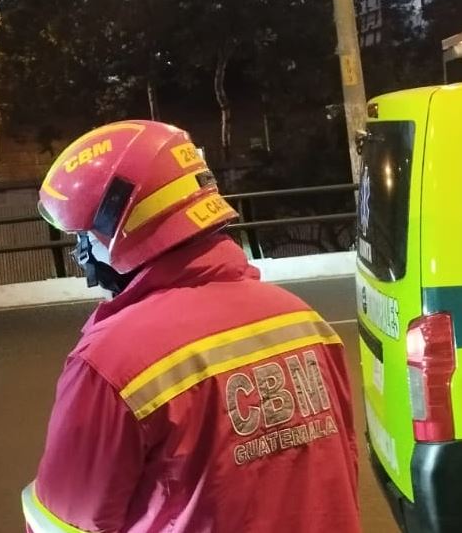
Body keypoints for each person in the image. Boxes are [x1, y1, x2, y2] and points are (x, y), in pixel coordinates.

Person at [22, 120, 360, 533]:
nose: (80, 249)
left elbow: (64, 523)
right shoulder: (305, 322)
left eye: (84, 234)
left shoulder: (112, 364)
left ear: (119, 223)